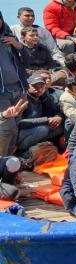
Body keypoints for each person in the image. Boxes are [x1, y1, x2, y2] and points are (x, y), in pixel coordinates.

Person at [0, 11, 29, 156]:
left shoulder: (9, 35)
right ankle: (2, 164)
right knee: (6, 127)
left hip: (19, 88)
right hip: (2, 93)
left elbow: (28, 58)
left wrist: (18, 46)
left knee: (15, 127)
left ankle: (8, 165)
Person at [16, 75, 64, 154]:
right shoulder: (22, 98)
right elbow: (19, 122)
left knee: (59, 127)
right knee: (43, 130)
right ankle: (21, 151)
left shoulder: (44, 96)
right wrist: (46, 120)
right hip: (18, 132)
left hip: (37, 127)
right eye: (35, 86)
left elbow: (56, 110)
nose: (39, 89)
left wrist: (58, 117)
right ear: (27, 86)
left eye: (42, 86)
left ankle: (37, 145)